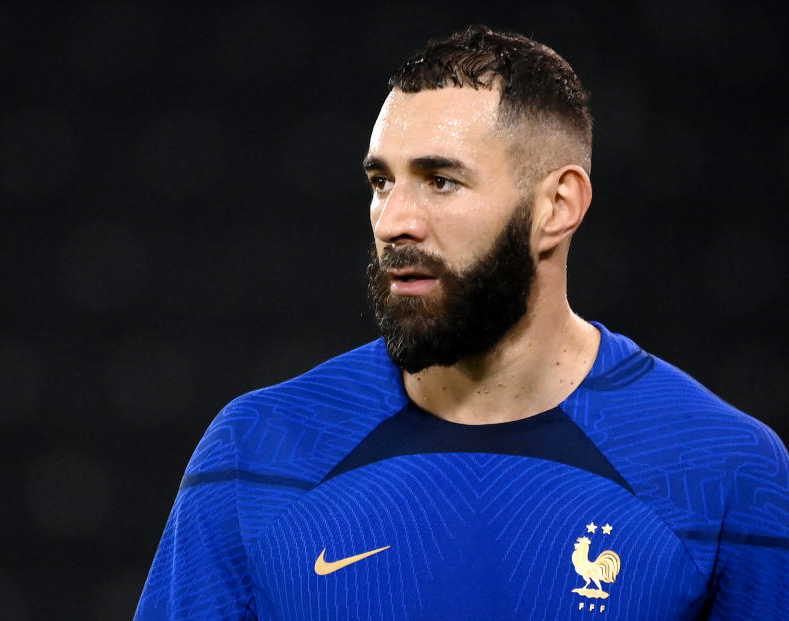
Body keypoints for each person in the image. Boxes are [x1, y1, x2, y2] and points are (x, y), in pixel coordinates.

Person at [134, 25, 789, 620]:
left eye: (440, 180)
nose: (394, 221)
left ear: (558, 205)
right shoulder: (257, 453)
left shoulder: (729, 471)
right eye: (381, 182)